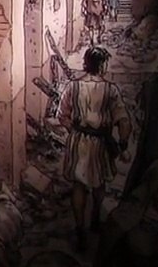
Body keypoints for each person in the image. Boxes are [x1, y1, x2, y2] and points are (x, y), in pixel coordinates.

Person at [55, 46, 131, 250]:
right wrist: (123, 144)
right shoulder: (111, 90)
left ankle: (81, 227)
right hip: (99, 142)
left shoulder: (73, 87)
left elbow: (61, 115)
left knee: (79, 185)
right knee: (98, 183)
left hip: (79, 140)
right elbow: (123, 120)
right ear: (102, 64)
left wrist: (75, 129)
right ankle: (95, 217)